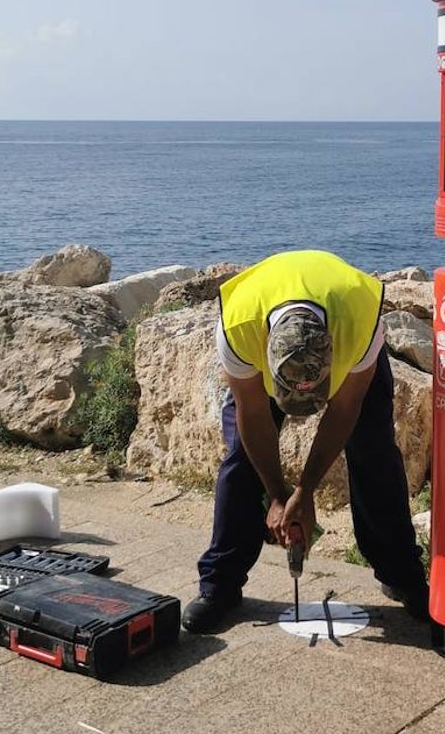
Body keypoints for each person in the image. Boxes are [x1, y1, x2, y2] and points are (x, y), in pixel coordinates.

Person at [182, 249, 430, 632]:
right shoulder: (239, 327)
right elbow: (253, 415)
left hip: (351, 341)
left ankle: (402, 575)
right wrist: (278, 495)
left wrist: (307, 489)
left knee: (374, 453)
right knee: (241, 460)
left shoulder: (359, 322)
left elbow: (344, 411)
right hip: (262, 331)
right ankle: (220, 584)